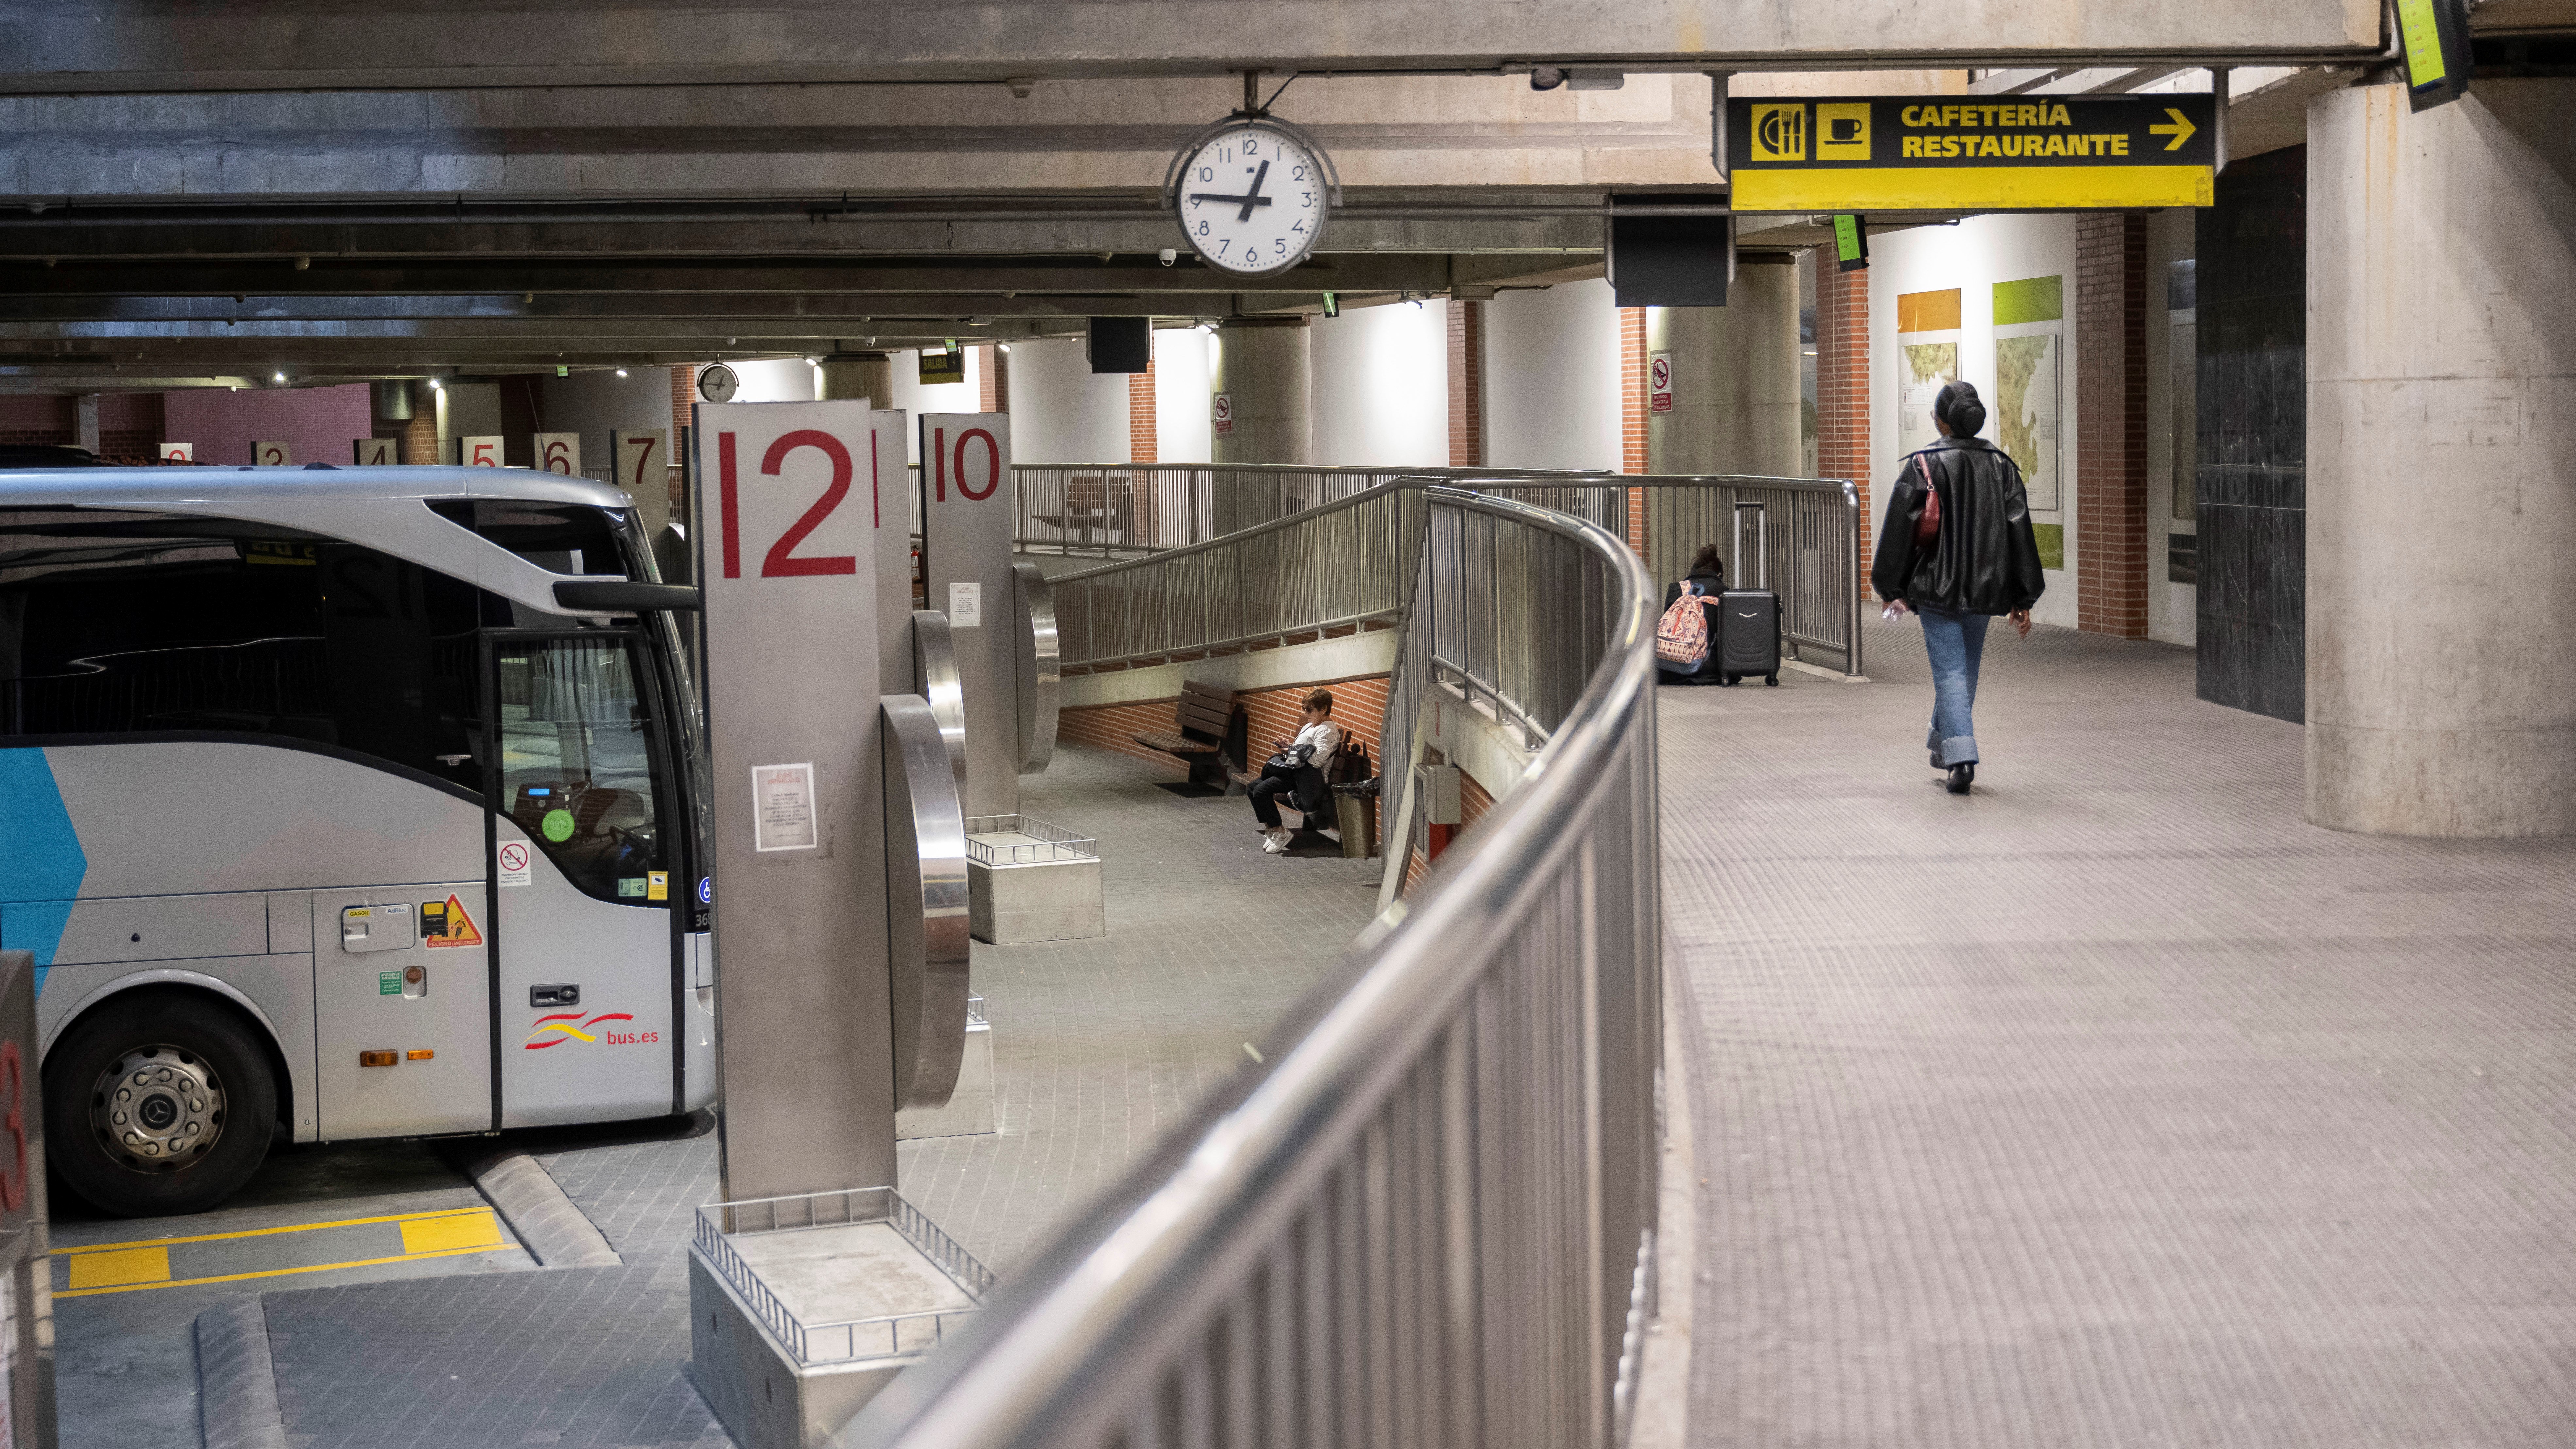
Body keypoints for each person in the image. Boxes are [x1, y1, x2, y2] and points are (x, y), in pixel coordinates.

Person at [1870, 381, 2046, 796]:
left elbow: (1900, 527)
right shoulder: (2002, 466)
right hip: (1986, 588)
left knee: (1951, 672)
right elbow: (2019, 532)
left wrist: (1889, 585)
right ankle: (1944, 744)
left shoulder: (1923, 464)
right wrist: (2023, 597)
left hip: (1935, 588)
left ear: (1943, 422)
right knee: (1965, 672)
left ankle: (1962, 761)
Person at [1251, 688, 1340, 854]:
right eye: (1304, 708)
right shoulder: (1310, 726)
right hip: (1296, 773)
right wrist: (1288, 748)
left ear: (1324, 709)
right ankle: (1272, 829)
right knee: (1252, 787)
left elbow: (1317, 760)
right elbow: (1301, 752)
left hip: (1308, 780)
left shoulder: (1327, 730)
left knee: (1261, 790)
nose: (1305, 713)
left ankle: (1280, 832)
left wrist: (1295, 750)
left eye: (1310, 709)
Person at [1655, 545, 1728, 685]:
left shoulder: (1676, 588)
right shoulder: (1723, 592)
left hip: (1666, 670)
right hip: (1703, 670)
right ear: (1719, 574)